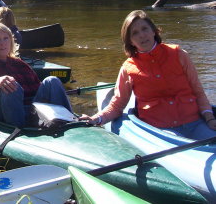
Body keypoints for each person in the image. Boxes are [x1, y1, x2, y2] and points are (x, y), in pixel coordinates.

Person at [80, 10, 216, 140]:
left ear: (154, 31)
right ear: (130, 41)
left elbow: (198, 92)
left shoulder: (180, 55)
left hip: (194, 123)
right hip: (161, 130)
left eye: (145, 29)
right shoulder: (128, 68)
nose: (141, 35)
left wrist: (209, 119)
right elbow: (117, 105)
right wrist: (96, 119)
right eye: (135, 33)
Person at [0, 22, 72, 127]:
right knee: (10, 84)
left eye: (5, 38)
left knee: (52, 81)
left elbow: (37, 87)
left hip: (32, 109)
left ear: (11, 41)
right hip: (5, 113)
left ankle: (70, 120)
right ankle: (20, 129)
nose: (2, 43)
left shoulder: (20, 64)